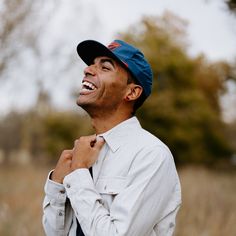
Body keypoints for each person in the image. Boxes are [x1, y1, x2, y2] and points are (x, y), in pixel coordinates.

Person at [42, 39, 181, 236]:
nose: (88, 70)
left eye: (105, 67)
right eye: (91, 64)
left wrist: (79, 174)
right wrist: (57, 186)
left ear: (132, 92)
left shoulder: (152, 155)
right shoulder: (83, 152)